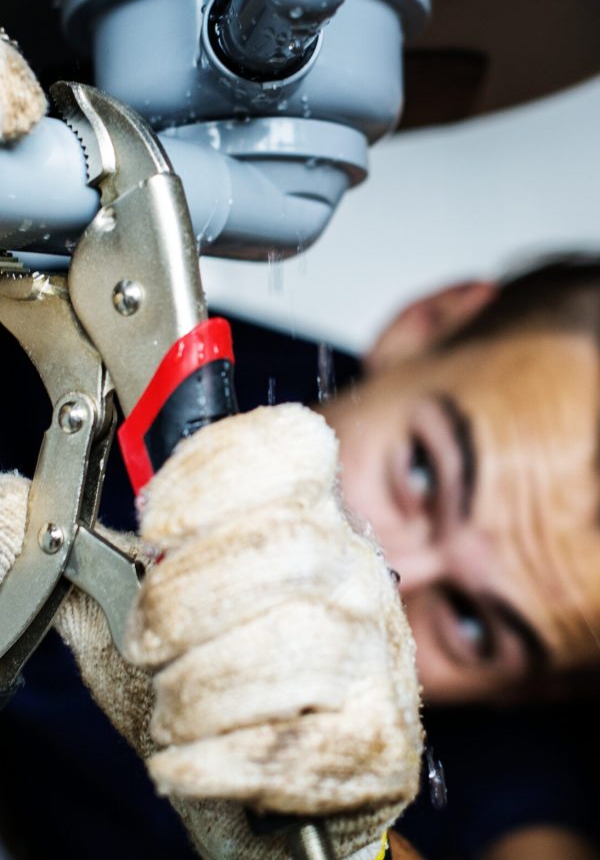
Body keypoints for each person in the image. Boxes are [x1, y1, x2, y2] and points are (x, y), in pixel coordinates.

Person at [1, 254, 600, 859]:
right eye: (422, 473)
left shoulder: (507, 772)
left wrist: (358, 847)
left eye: (472, 624)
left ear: (530, 693)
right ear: (426, 327)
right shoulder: (77, 344)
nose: (382, 580)